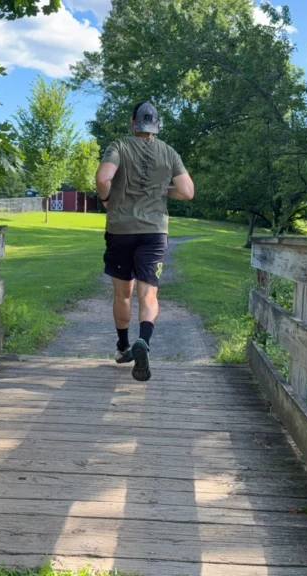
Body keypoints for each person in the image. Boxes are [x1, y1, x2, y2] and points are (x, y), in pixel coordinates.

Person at [94, 102, 195, 381]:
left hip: (120, 229)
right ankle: (144, 341)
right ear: (156, 125)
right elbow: (187, 192)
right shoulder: (169, 152)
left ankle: (123, 346)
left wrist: (107, 199)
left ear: (133, 122)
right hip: (154, 231)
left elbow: (103, 178)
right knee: (149, 294)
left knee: (122, 294)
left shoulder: (120, 146)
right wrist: (165, 192)